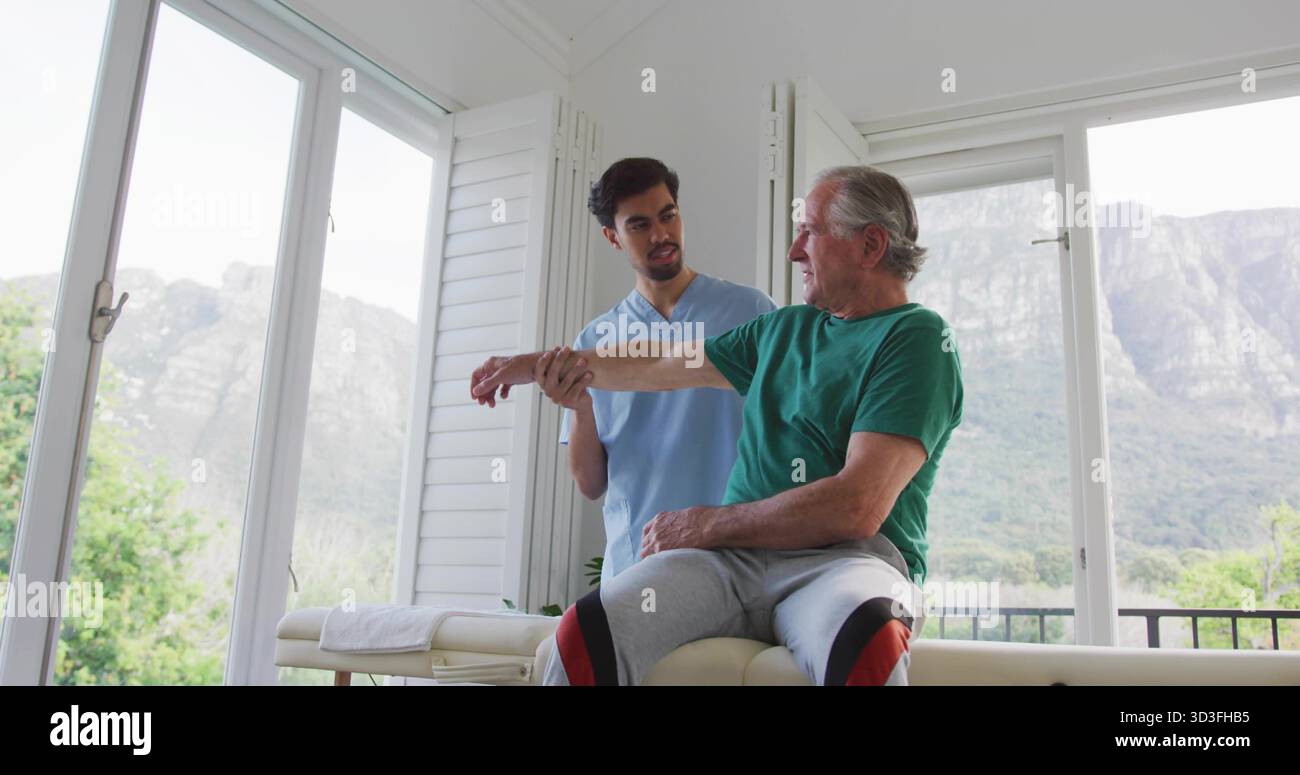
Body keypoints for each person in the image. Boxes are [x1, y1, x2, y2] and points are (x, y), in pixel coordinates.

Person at [472, 165, 962, 685]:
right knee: (585, 635)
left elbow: (856, 505)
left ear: (870, 245)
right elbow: (661, 363)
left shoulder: (917, 338)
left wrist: (706, 525)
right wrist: (532, 365)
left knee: (867, 641)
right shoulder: (782, 329)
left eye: (809, 232)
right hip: (729, 565)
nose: (794, 251)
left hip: (844, 563)